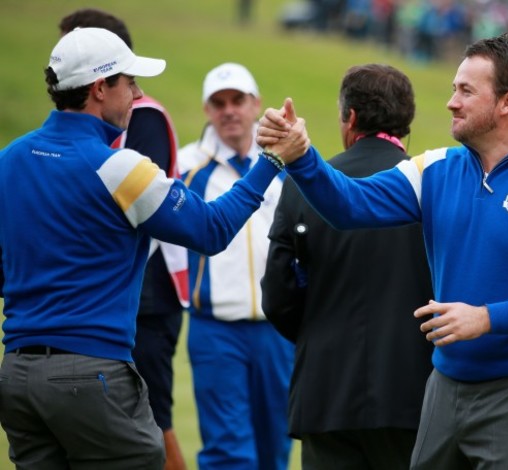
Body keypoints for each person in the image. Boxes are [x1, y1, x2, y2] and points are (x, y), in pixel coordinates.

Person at [257, 33, 508, 469]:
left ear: (507, 102)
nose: (451, 102)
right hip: (444, 385)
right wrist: (302, 156)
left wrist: (486, 317)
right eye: (454, 89)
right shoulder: (435, 169)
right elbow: (348, 205)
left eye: (466, 91)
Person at [0, 27, 307, 469]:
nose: (138, 95)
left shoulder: (11, 158)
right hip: (92, 372)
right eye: (130, 83)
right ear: (100, 88)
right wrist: (272, 162)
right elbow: (212, 229)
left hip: (18, 376)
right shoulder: (119, 166)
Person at [261, 63, 433, 470]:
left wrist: (317, 331)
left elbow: (278, 296)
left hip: (326, 394)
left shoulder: (304, 184)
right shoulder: (434, 186)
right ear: (406, 121)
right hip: (413, 394)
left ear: (350, 117)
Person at [58, 9, 189, 470]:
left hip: (146, 289)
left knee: (156, 419)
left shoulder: (145, 115)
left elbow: (143, 210)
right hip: (116, 295)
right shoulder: (72, 133)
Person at [178, 62, 294, 470]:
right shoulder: (185, 167)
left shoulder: (286, 167)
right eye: (219, 103)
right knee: (229, 452)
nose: (229, 111)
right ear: (208, 110)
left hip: (277, 332)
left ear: (256, 104)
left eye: (238, 101)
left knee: (275, 447)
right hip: (215, 330)